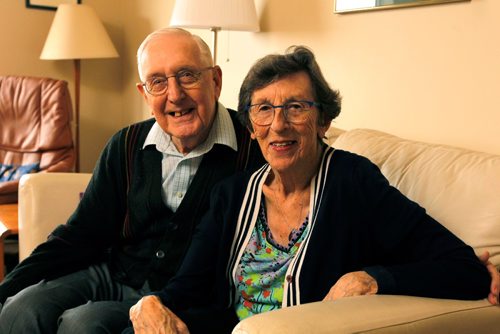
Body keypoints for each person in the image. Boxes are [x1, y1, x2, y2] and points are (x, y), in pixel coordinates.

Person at [127, 46, 498, 334]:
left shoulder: (352, 182)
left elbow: (463, 269)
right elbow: (188, 286)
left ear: (323, 120)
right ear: (251, 126)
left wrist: (372, 279)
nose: (279, 125)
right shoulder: (232, 194)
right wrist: (149, 304)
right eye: (264, 109)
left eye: (296, 108)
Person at [0, 28, 263, 333]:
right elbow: (80, 234)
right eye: (158, 82)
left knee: (81, 325)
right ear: (144, 93)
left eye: (187, 75)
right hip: (114, 273)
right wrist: (7, 287)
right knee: (19, 308)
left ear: (215, 81)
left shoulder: (253, 148)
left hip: (184, 295)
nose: (175, 94)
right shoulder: (126, 144)